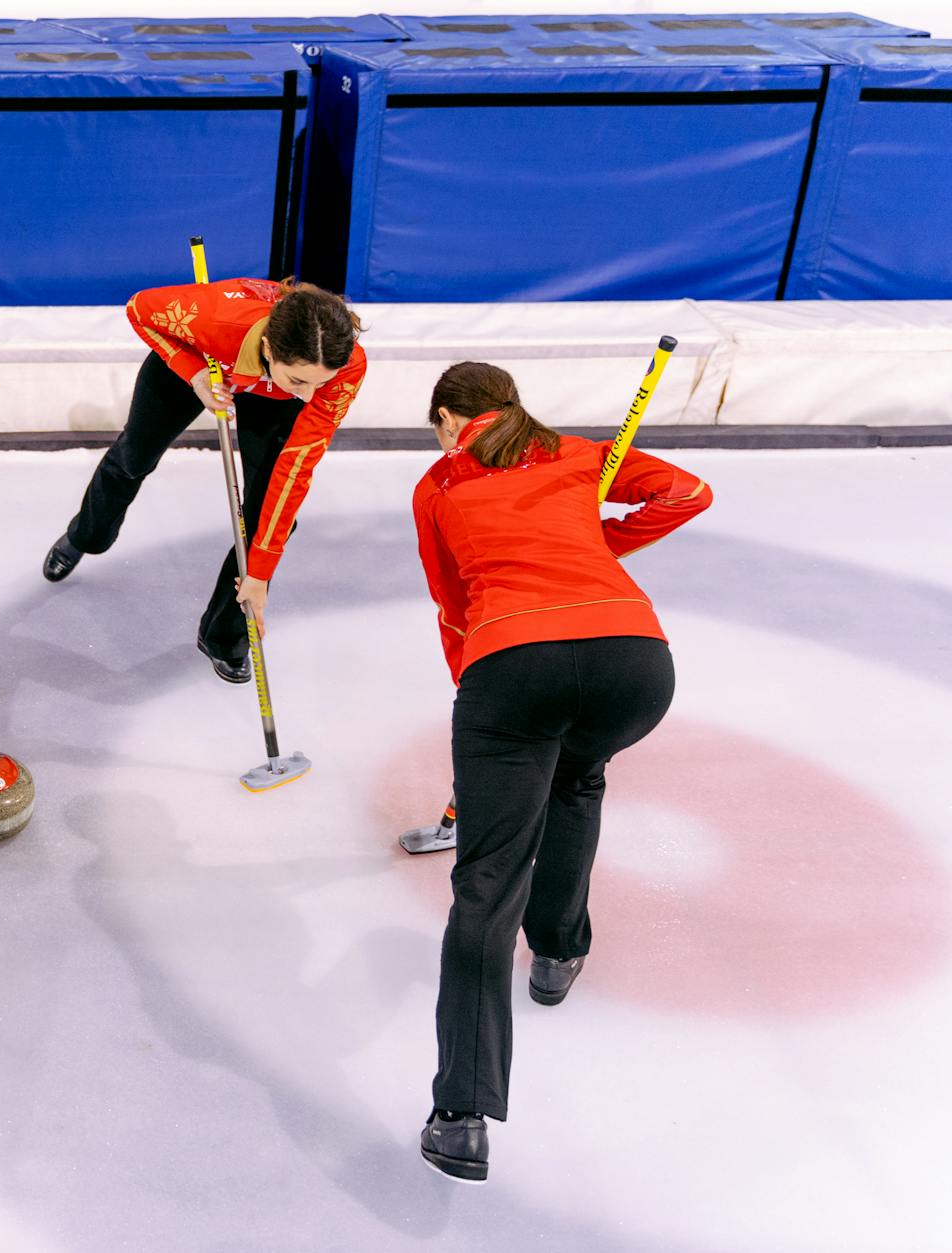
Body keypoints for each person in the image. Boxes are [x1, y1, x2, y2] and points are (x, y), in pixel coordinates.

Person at [412, 362, 712, 1184]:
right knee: (578, 774)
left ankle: (463, 1115)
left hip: (512, 661)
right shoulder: (586, 456)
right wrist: (596, 544)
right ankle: (556, 950)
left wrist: (481, 714)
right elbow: (689, 493)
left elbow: (454, 608)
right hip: (635, 661)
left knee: (488, 878)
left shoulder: (439, 485)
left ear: (446, 420)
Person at [42, 277, 365, 682]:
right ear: (268, 348)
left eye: (320, 383)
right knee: (132, 458)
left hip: (270, 397)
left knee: (269, 514)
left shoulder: (344, 367)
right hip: (203, 360)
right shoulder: (213, 318)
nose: (309, 395)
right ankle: (85, 536)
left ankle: (223, 637)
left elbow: (298, 466)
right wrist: (193, 373)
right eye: (301, 381)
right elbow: (138, 308)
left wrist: (260, 572)